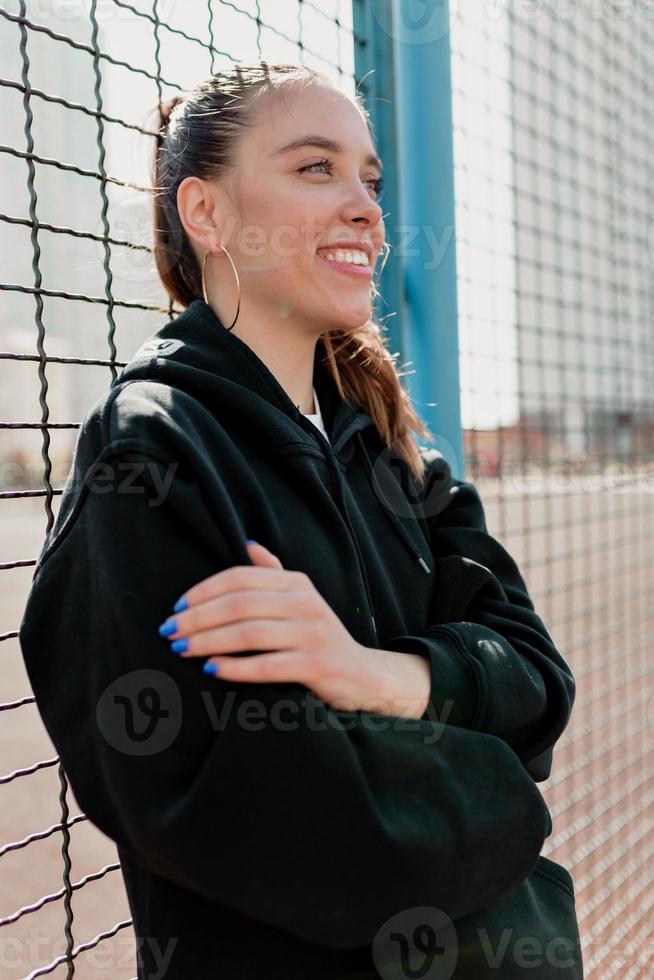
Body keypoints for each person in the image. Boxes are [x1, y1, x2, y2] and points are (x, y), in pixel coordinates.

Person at [19, 62, 584, 979]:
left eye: (371, 179)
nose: (365, 206)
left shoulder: (401, 450)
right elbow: (308, 829)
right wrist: (504, 790)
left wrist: (367, 674)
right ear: (206, 213)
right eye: (315, 168)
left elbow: (540, 682)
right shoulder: (153, 455)